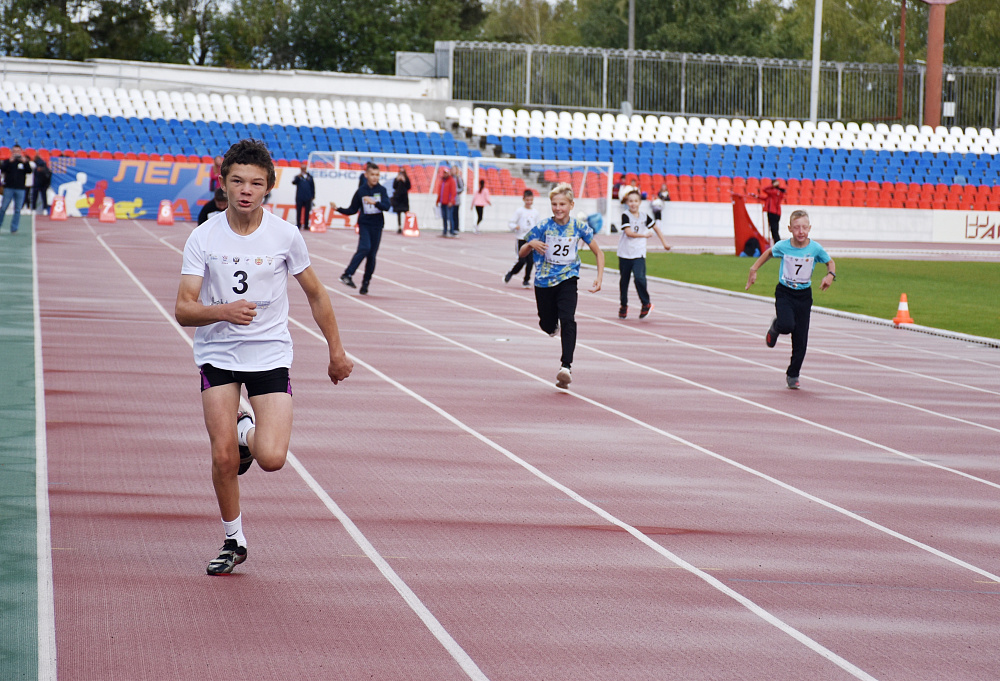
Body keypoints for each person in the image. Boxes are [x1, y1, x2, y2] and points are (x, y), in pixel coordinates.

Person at [174, 138, 353, 575]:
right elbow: (183, 309)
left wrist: (336, 350)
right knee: (222, 459)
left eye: (256, 183)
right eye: (237, 181)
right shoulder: (204, 236)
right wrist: (222, 312)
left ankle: (246, 429)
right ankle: (233, 539)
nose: (246, 190)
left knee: (271, 458)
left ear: (269, 187)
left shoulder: (285, 235)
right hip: (217, 352)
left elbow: (316, 293)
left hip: (270, 354)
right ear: (224, 184)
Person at [519, 183, 605, 390]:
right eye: (554, 204)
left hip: (568, 278)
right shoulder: (543, 227)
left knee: (568, 319)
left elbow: (598, 252)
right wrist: (531, 244)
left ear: (571, 205)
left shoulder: (579, 227)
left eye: (562, 204)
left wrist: (599, 278)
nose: (558, 208)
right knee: (547, 325)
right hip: (544, 282)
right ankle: (551, 326)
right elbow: (521, 252)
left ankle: (566, 366)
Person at [745, 209, 836, 390]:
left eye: (804, 227)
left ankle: (793, 374)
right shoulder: (783, 246)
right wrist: (753, 269)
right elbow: (769, 253)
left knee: (801, 340)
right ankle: (776, 326)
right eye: (796, 228)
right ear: (789, 229)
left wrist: (830, 275)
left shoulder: (815, 248)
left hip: (804, 296)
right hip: (785, 293)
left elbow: (830, 262)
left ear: (809, 228)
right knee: (787, 325)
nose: (800, 231)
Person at [335, 161, 390, 295]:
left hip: (377, 226)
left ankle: (366, 283)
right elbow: (352, 209)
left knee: (372, 256)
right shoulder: (361, 191)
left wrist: (376, 203)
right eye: (372, 175)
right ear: (366, 175)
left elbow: (387, 206)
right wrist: (338, 208)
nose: (375, 177)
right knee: (364, 248)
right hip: (365, 224)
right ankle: (347, 274)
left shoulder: (381, 190)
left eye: (377, 175)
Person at [617, 189, 670, 320]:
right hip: (625, 253)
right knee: (624, 281)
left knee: (640, 278)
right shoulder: (625, 215)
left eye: (635, 201)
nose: (633, 204)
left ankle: (646, 303)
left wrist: (664, 243)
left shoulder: (644, 216)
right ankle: (623, 305)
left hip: (639, 253)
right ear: (627, 203)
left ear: (640, 202)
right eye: (630, 201)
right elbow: (628, 233)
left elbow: (656, 228)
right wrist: (644, 235)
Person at [503, 189, 539, 288]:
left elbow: (537, 225)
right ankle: (511, 273)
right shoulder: (519, 211)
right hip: (521, 239)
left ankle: (526, 280)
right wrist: (515, 226)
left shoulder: (535, 212)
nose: (529, 202)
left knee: (531, 261)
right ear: (523, 199)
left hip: (531, 240)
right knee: (522, 260)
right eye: (527, 200)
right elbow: (511, 223)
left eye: (531, 200)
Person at [0, 145, 32, 233]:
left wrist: (25, 162)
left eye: (18, 151)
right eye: (14, 151)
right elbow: (2, 169)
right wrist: (10, 162)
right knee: (3, 207)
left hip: (20, 188)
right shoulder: (8, 161)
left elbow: (29, 171)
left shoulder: (23, 161)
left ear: (21, 151)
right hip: (9, 187)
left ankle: (14, 228)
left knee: (17, 209)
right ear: (12, 151)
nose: (16, 153)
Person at [761, 179, 786, 245]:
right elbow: (767, 198)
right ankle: (777, 244)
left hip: (773, 212)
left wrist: (771, 186)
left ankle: (778, 244)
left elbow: (764, 189)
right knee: (774, 230)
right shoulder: (777, 192)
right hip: (776, 212)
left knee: (774, 230)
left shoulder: (774, 192)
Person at [291, 161, 316, 231]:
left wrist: (313, 196)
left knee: (307, 212)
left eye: (304, 169)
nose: (303, 170)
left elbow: (313, 187)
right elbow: (293, 182)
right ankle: (298, 224)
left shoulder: (310, 177)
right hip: (299, 197)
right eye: (302, 169)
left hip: (308, 197)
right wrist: (298, 177)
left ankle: (306, 225)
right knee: (299, 211)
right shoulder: (298, 177)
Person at [435, 167, 457, 237]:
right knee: (444, 217)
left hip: (449, 203)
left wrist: (451, 201)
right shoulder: (442, 181)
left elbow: (453, 192)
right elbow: (440, 192)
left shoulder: (452, 181)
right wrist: (438, 200)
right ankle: (445, 231)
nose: (445, 174)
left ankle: (452, 231)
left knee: (450, 217)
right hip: (443, 202)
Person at [390, 168, 411, 234]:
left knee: (405, 212)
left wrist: (404, 180)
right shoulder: (397, 179)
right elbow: (394, 186)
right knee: (398, 213)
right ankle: (399, 227)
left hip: (404, 198)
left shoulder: (406, 179)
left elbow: (409, 186)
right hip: (398, 198)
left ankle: (407, 226)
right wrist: (397, 180)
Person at [451, 165, 465, 235]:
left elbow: (462, 188)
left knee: (455, 215)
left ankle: (456, 228)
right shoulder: (450, 178)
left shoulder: (458, 178)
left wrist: (455, 190)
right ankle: (451, 228)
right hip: (449, 200)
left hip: (456, 200)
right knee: (450, 215)